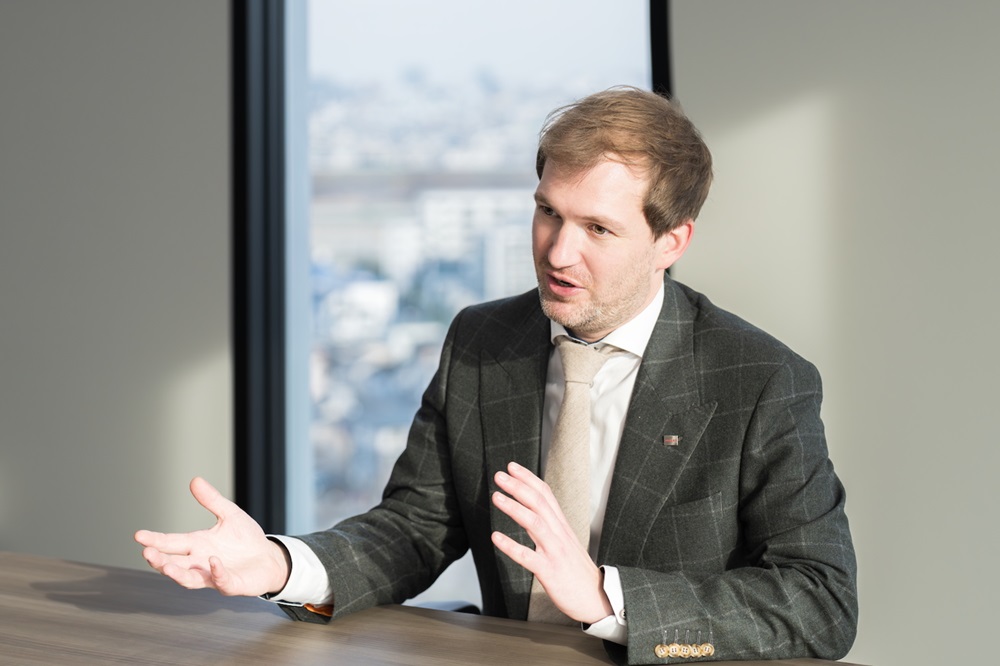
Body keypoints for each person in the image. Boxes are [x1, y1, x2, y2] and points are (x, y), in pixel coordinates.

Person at [136, 86, 858, 664]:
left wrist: (608, 597)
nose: (558, 252)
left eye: (598, 229)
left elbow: (822, 604)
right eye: (548, 213)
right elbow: (416, 530)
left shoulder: (759, 379)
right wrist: (280, 566)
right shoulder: (483, 339)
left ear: (671, 241)